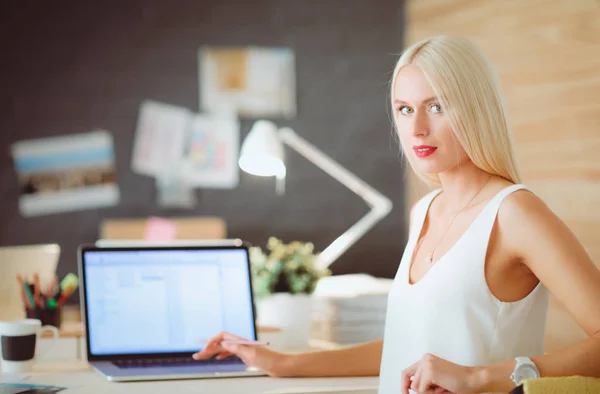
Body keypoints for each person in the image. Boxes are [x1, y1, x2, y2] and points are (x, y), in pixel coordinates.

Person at [193, 35, 600, 394]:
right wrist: (284, 362)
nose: (417, 128)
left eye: (436, 106)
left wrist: (483, 378)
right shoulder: (424, 210)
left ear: (476, 109)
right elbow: (407, 344)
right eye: (405, 109)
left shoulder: (515, 213)